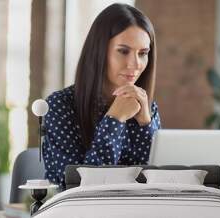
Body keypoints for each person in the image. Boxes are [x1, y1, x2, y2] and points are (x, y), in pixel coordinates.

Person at [42, 3, 161, 188]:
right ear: (99, 51)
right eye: (123, 51)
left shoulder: (146, 106)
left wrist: (146, 124)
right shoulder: (59, 106)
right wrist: (115, 119)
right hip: (76, 214)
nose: (135, 64)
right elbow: (81, 187)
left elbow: (157, 182)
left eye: (143, 53)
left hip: (136, 213)